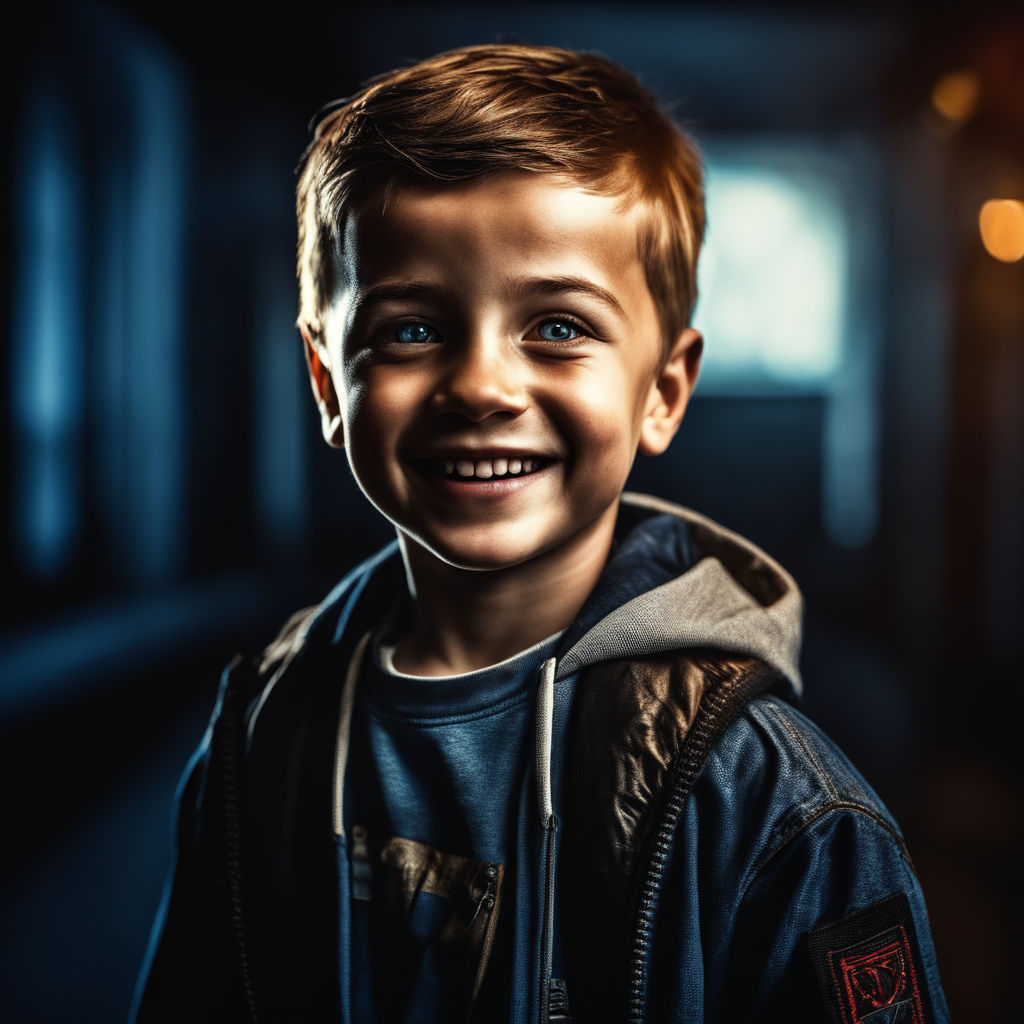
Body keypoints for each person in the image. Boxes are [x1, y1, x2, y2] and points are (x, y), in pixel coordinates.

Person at [131, 44, 949, 1024]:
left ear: (663, 390)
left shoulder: (780, 813)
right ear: (325, 384)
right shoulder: (255, 736)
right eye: (409, 329)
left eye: (557, 327)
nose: (480, 386)